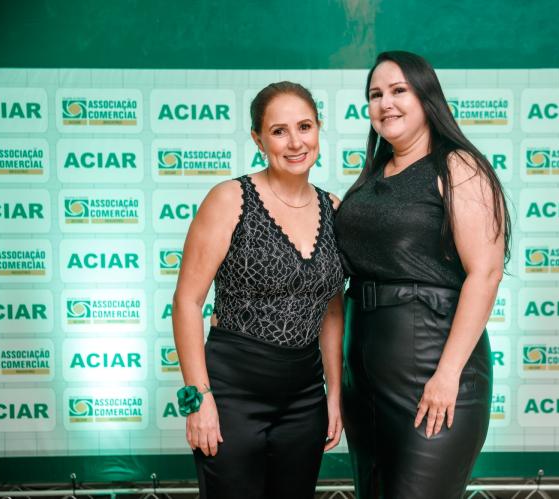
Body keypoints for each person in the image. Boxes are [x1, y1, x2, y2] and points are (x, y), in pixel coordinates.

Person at [335, 51, 511, 498]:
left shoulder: (457, 166)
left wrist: (447, 374)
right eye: (375, 94)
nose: (385, 103)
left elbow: (486, 273)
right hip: (364, 376)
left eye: (399, 91)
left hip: (433, 365)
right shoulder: (371, 177)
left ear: (426, 97)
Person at [172, 81, 345, 499]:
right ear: (258, 139)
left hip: (305, 396)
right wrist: (199, 399)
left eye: (304, 126)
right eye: (279, 131)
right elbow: (187, 302)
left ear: (318, 128)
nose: (295, 142)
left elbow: (332, 309)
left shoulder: (335, 208)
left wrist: (334, 394)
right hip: (232, 394)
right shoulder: (229, 199)